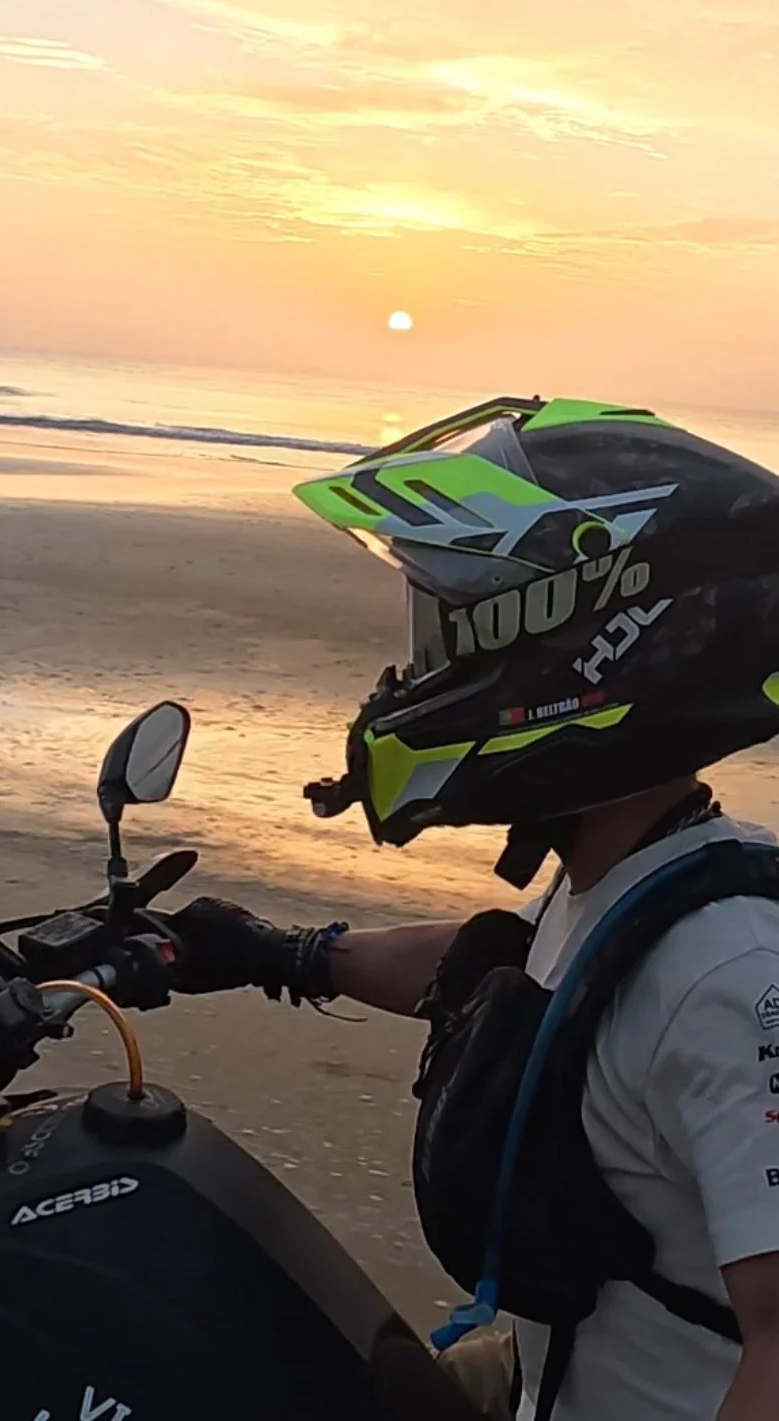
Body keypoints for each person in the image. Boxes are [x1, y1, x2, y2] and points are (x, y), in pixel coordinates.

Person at [166, 397, 779, 1421]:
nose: (419, 670)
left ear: (585, 646)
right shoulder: (644, 888)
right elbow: (520, 973)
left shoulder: (731, 973)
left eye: (451, 631)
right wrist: (281, 952)